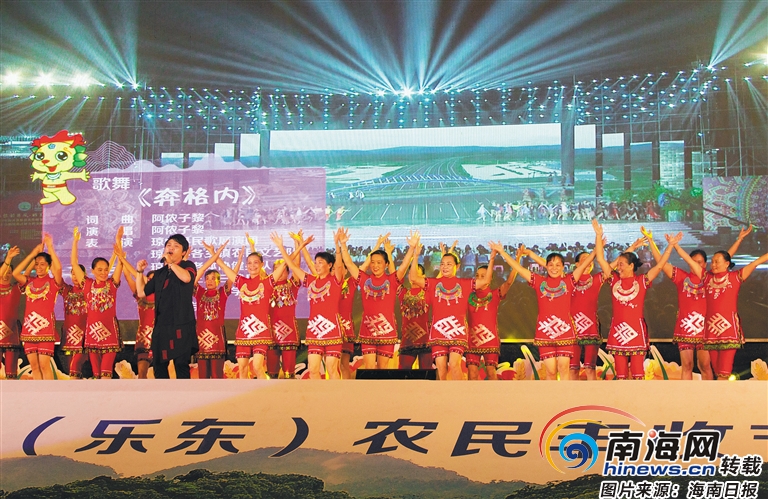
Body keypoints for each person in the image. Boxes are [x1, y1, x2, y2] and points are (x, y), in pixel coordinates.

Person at [490, 239, 595, 381]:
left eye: (558, 265)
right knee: (550, 371)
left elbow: (587, 262)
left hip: (565, 331)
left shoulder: (569, 280)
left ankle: (566, 395)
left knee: (564, 368)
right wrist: (502, 252)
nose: (554, 268)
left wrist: (597, 240)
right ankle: (551, 396)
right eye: (551, 265)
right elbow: (518, 268)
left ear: (563, 267)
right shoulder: (539, 281)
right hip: (546, 332)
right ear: (546, 266)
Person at [594, 224, 681, 380]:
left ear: (631, 266)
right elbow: (600, 259)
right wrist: (598, 235)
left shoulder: (642, 281)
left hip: (636, 332)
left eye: (621, 264)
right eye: (617, 264)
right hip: (618, 332)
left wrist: (669, 246)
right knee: (620, 375)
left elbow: (660, 265)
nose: (618, 267)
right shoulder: (614, 280)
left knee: (638, 374)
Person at [407, 232, 493, 380]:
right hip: (438, 330)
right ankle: (443, 394)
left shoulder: (465, 284)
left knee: (454, 364)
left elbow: (485, 281)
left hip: (457, 330)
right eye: (442, 264)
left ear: (457, 267)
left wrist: (492, 259)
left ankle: (460, 394)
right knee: (441, 368)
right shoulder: (433, 283)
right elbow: (414, 278)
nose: (444, 267)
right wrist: (415, 255)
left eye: (448, 264)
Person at [216, 236, 299, 379]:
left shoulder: (268, 282)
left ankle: (265, 392)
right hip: (244, 331)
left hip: (261, 331)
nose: (252, 266)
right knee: (242, 368)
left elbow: (287, 262)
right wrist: (215, 253)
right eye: (249, 263)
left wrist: (295, 246)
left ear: (262, 265)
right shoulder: (241, 282)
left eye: (256, 263)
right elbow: (223, 267)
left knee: (257, 367)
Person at [337, 229, 416, 369]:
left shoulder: (392, 280)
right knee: (369, 368)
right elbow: (349, 264)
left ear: (386, 264)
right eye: (373, 262)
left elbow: (403, 266)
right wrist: (343, 244)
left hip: (386, 330)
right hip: (368, 330)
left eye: (379, 263)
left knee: (382, 369)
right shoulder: (364, 279)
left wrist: (412, 248)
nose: (375, 266)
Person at [272, 230, 345, 380]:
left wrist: (338, 246)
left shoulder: (335, 281)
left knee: (332, 369)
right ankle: (317, 395)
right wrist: (281, 247)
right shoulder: (310, 280)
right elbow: (292, 266)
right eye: (315, 262)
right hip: (314, 330)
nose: (317, 265)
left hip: (332, 330)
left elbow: (339, 267)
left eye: (321, 263)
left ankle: (336, 395)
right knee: (313, 369)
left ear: (329, 265)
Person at [135, 234, 197, 379]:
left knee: (181, 365)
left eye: (176, 246)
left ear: (183, 252)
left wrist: (171, 264)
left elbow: (186, 278)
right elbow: (141, 292)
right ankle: (162, 393)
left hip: (182, 324)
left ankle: (184, 393)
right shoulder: (160, 273)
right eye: (168, 245)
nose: (171, 248)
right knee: (159, 365)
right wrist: (139, 272)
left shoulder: (188, 266)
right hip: (162, 326)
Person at [701, 245, 768, 380]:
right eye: (712, 261)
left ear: (727, 264)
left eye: (717, 262)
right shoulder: (707, 278)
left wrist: (739, 241)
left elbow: (755, 263)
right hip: (711, 330)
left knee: (724, 373)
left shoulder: (735, 277)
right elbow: (690, 262)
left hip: (729, 330)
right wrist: (674, 246)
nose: (713, 264)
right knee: (717, 372)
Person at [71, 226, 124, 379]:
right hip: (92, 334)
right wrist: (75, 242)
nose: (103, 273)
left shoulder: (112, 284)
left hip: (110, 333)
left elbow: (120, 263)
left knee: (106, 374)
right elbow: (74, 263)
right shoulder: (87, 284)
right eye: (100, 270)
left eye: (106, 269)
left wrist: (118, 241)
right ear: (93, 271)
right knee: (96, 375)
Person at [12, 234, 64, 380]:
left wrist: (50, 247)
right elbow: (16, 273)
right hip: (29, 330)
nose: (39, 267)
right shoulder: (29, 282)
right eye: (37, 264)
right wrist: (32, 254)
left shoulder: (53, 283)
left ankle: (49, 392)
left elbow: (58, 269)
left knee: (44, 365)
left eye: (42, 264)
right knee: (34, 366)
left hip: (46, 330)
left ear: (48, 266)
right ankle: (38, 392)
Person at [465, 252, 517, 381]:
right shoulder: (468, 295)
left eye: (483, 276)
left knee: (491, 372)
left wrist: (517, 260)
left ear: (490, 278)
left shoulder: (495, 294)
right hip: (472, 338)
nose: (479, 278)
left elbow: (509, 282)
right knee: (472, 373)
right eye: (477, 275)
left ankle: (494, 395)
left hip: (490, 338)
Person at [195, 241, 241, 379]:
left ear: (219, 281)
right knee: (202, 376)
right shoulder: (199, 293)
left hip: (217, 338)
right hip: (201, 338)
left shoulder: (222, 293)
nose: (209, 281)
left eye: (213, 278)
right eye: (207, 278)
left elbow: (233, 277)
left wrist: (239, 261)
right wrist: (212, 254)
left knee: (217, 375)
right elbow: (193, 279)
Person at [117, 253, 155, 379]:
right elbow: (129, 276)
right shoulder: (140, 294)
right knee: (142, 374)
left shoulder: (163, 296)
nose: (151, 281)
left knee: (163, 374)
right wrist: (121, 258)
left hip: (160, 337)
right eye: (149, 279)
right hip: (144, 337)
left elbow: (135, 273)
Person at [399, 248, 431, 370]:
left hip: (426, 340)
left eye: (416, 273)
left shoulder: (429, 292)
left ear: (423, 277)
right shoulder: (403, 292)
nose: (412, 276)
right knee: (403, 372)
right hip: (407, 340)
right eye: (410, 273)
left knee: (426, 373)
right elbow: (395, 276)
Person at [59, 261, 88, 379]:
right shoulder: (67, 290)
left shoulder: (89, 290)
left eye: (78, 274)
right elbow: (56, 273)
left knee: (75, 367)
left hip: (84, 335)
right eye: (73, 274)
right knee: (70, 370)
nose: (76, 277)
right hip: (69, 336)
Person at [0, 246, 23, 379]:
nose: (6, 274)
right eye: (5, 271)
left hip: (12, 331)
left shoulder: (16, 288)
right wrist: (8, 258)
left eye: (10, 272)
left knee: (11, 371)